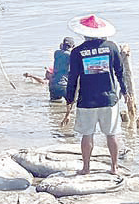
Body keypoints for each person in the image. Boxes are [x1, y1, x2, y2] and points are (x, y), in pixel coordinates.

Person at [61, 15, 129, 175]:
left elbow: (72, 78)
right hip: (109, 99)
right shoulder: (111, 47)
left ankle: (86, 168)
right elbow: (120, 72)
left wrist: (69, 100)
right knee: (112, 134)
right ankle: (114, 167)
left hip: (87, 101)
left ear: (84, 33)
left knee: (87, 135)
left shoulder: (77, 52)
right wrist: (125, 92)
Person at [49, 37, 75, 101]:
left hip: (53, 84)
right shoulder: (71, 55)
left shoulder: (56, 53)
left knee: (54, 105)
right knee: (71, 105)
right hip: (64, 84)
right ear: (73, 46)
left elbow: (62, 52)